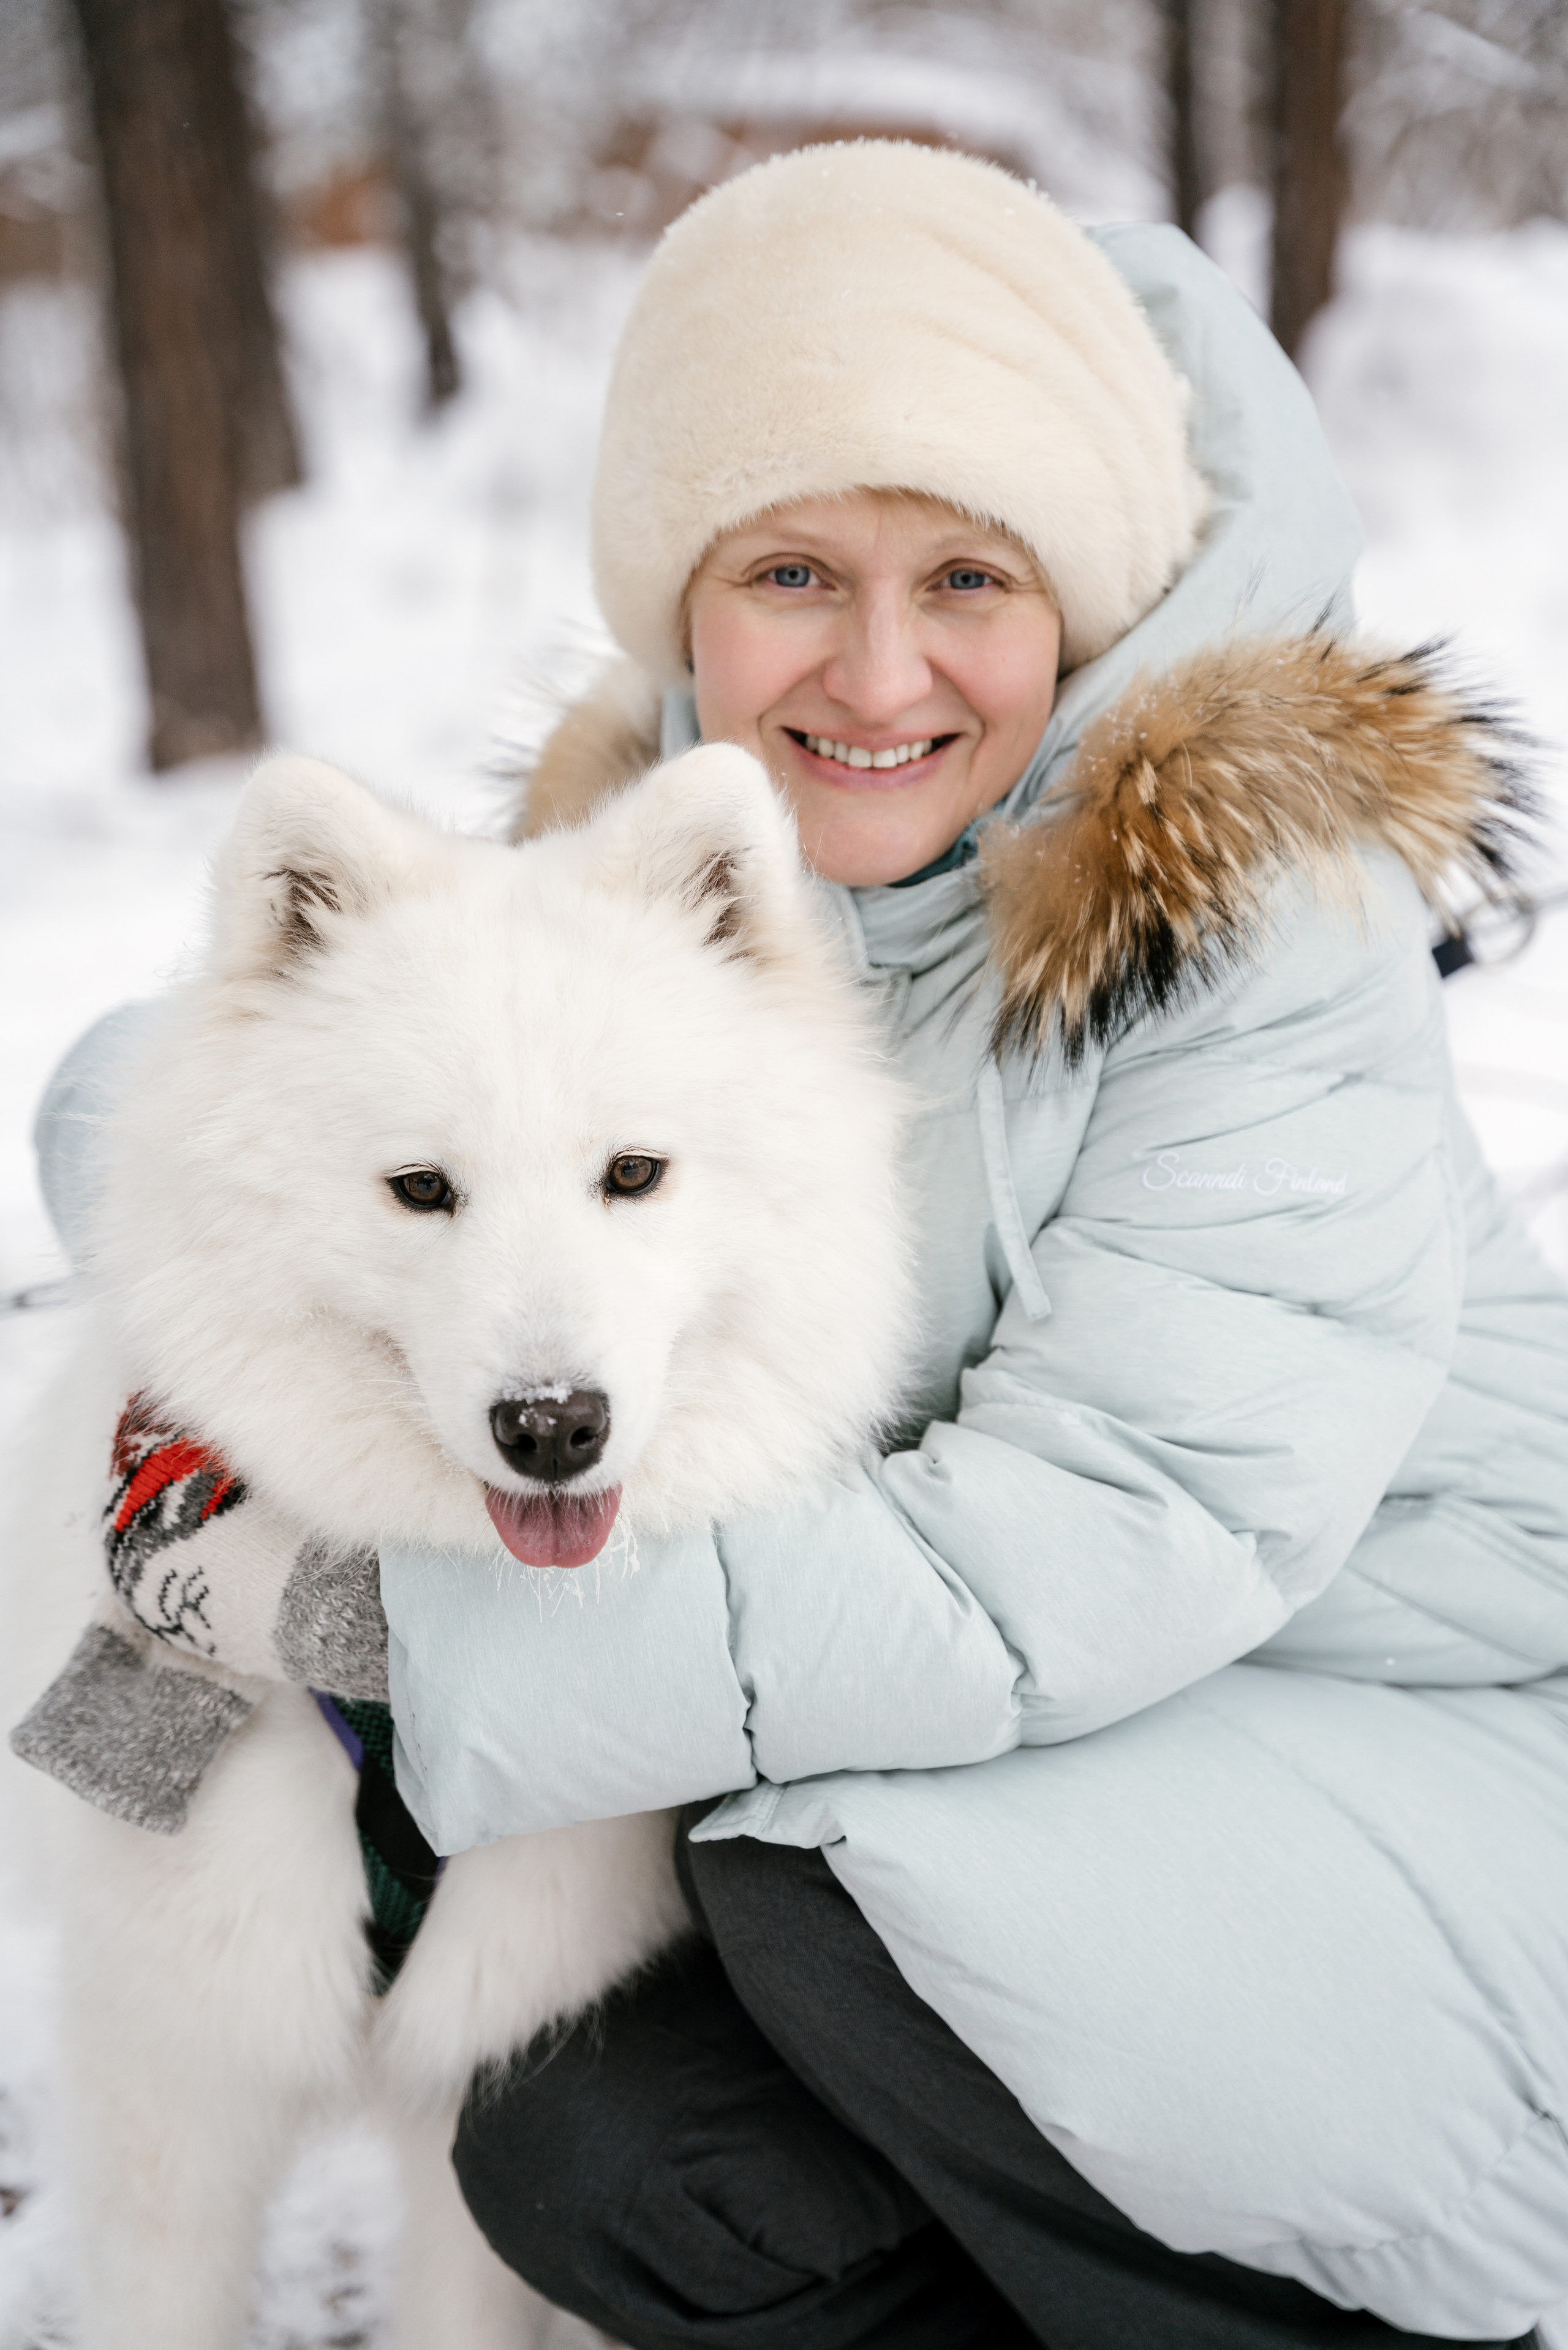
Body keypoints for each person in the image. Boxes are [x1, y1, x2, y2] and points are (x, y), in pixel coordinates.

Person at [34, 143, 1568, 2347]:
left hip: (1365, 1733)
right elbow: (307, 1085)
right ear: (684, 601)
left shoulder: (1256, 935)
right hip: (1006, 1753)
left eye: (969, 573)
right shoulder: (669, 857)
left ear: (1085, 591)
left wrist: (376, 1623)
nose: (876, 666)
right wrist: (182, 1242)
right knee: (591, 2139)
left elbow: (1111, 1535)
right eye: (787, 572)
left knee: (810, 1877)